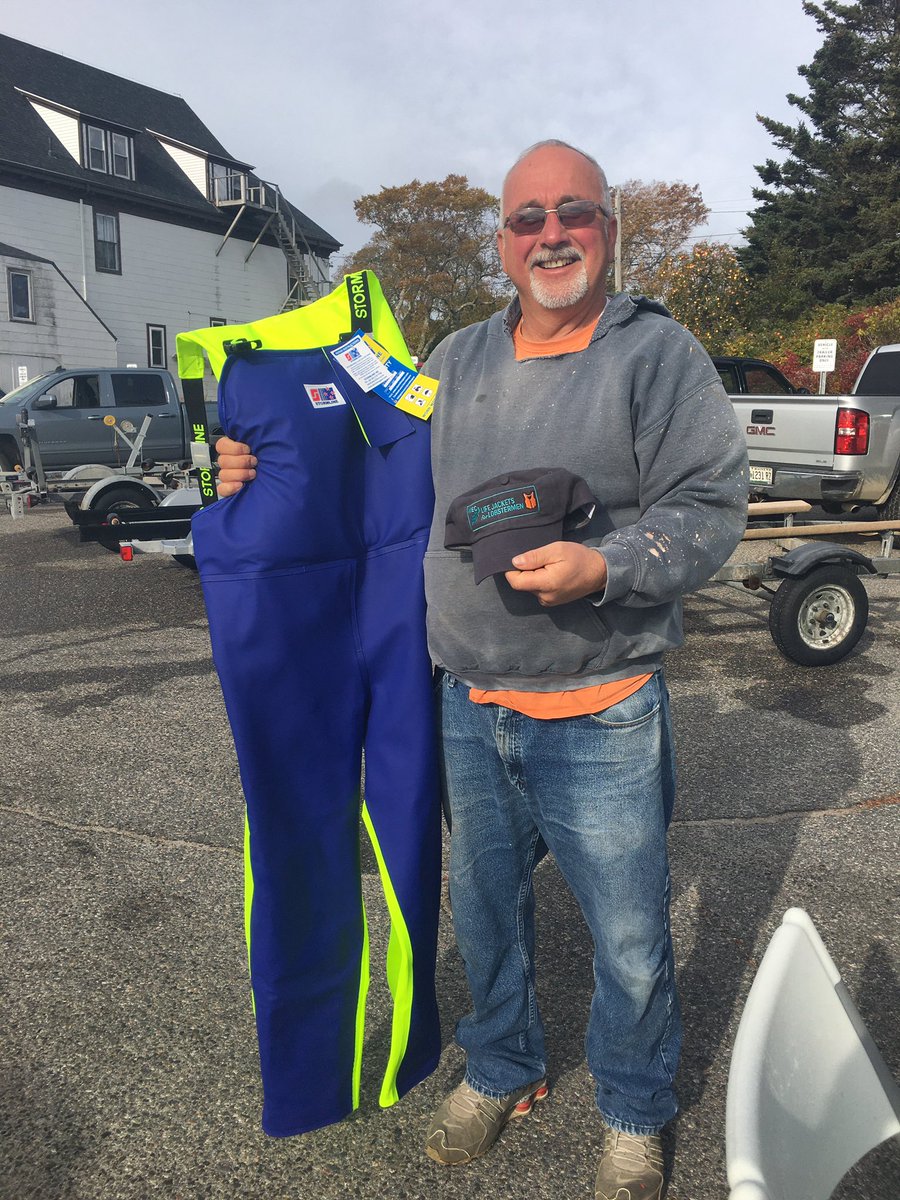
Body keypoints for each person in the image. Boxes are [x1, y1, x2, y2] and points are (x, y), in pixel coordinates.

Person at [216, 139, 747, 1200]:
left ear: (611, 228)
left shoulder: (659, 355)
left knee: (632, 935)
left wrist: (609, 562)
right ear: (502, 243)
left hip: (602, 712)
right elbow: (353, 456)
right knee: (487, 914)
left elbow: (709, 510)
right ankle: (502, 1065)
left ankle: (635, 1110)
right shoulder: (449, 361)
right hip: (465, 705)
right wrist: (249, 463)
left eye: (575, 213)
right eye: (528, 219)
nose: (553, 235)